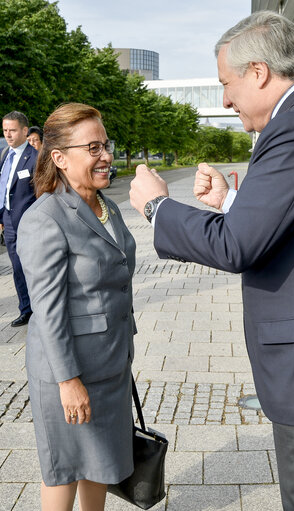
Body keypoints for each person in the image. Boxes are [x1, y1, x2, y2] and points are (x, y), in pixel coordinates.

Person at [129, 11, 294, 511]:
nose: (226, 100)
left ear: (257, 72)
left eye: (226, 84)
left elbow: (236, 247)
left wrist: (157, 207)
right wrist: (232, 205)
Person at [17, 103, 137, 511]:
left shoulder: (107, 206)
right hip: (68, 374)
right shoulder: (44, 218)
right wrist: (69, 383)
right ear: (60, 158)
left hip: (110, 365)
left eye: (106, 144)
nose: (105, 155)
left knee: (100, 465)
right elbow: (48, 312)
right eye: (93, 147)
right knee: (65, 470)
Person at [0, 111, 37, 326]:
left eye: (12, 130)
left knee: (33, 267)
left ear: (24, 130)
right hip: (9, 220)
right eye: (5, 130)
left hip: (29, 222)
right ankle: (26, 309)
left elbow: (42, 194)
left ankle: (41, 309)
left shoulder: (35, 158)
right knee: (17, 268)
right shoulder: (5, 155)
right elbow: (3, 187)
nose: (8, 135)